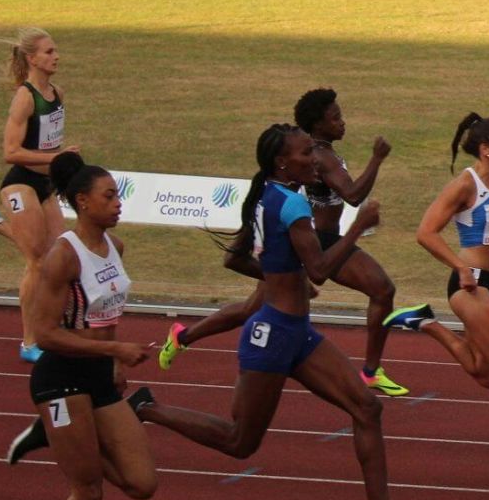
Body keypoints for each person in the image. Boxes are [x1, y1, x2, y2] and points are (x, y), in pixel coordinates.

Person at [137, 123, 437, 500]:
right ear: (283, 162)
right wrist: (357, 224)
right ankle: (146, 408)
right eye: (304, 154)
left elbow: (237, 260)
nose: (313, 159)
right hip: (273, 334)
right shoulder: (294, 205)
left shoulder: (266, 195)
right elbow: (320, 269)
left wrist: (283, 276)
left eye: (313, 152)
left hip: (296, 332)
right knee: (240, 442)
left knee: (367, 408)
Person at [158, 88, 413, 398]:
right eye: (336, 118)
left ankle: (183, 335)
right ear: (317, 126)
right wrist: (376, 159)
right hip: (318, 238)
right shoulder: (319, 156)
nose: (343, 123)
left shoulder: (314, 157)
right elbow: (354, 196)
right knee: (382, 288)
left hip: (310, 237)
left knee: (251, 307)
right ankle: (370, 371)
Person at [11, 151, 157, 500]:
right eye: (109, 196)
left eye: (118, 194)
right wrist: (114, 351)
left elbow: (106, 313)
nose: (118, 203)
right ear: (82, 202)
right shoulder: (63, 255)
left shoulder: (117, 248)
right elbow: (45, 332)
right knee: (88, 491)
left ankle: (54, 437)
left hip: (96, 377)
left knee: (141, 484)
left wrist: (112, 362)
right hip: (60, 381)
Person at [383, 113, 489, 485]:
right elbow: (426, 232)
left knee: (483, 372)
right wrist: (459, 266)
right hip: (471, 286)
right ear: (486, 150)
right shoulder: (464, 186)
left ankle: (425, 322)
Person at [0, 28, 80, 362]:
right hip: (20, 183)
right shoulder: (25, 96)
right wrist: (57, 159)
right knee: (36, 260)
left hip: (46, 184)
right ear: (32, 58)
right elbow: (11, 152)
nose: (55, 56)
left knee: (61, 257)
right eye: (48, 52)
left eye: (55, 50)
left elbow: (50, 144)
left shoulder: (57, 92)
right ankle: (30, 341)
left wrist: (62, 171)